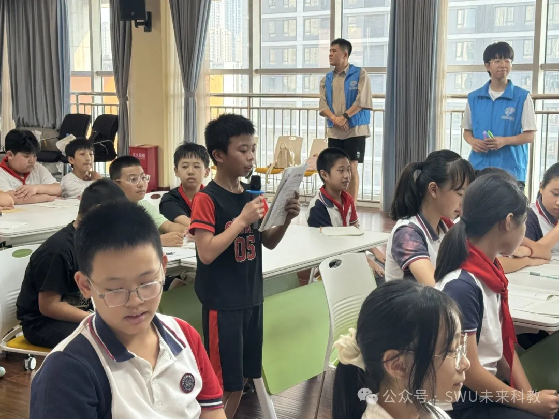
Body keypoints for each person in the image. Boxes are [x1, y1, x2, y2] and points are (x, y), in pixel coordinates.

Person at [30, 201, 226, 419]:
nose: (135, 301)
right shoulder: (68, 371)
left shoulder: (183, 335)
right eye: (115, 289)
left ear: (163, 269)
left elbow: (212, 411)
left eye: (147, 283)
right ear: (85, 285)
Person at [190, 114, 301, 419]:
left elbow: (268, 242)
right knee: (221, 386)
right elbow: (206, 253)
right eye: (242, 150)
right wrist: (241, 220)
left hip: (252, 299)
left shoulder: (251, 196)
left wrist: (286, 219)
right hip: (223, 306)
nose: (251, 156)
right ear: (219, 155)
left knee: (240, 381)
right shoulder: (207, 199)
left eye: (253, 148)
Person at [435, 172, 559, 419]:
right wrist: (528, 402)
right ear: (508, 222)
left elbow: (503, 347)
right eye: (524, 223)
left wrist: (531, 397)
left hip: (485, 391)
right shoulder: (462, 286)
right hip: (463, 401)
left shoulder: (490, 271)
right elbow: (470, 374)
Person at [332, 281, 470, 419]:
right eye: (451, 350)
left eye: (460, 347)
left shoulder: (431, 412)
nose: (465, 364)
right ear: (398, 365)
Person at [16, 180, 126, 349]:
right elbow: (49, 306)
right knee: (106, 339)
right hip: (42, 323)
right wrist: (96, 319)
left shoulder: (95, 243)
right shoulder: (58, 250)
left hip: (81, 312)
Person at [385, 150, 475, 286]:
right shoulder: (407, 233)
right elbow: (436, 288)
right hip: (413, 301)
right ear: (433, 189)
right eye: (460, 194)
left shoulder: (444, 227)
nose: (463, 202)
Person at [462, 42, 537, 190]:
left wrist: (504, 141)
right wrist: (473, 142)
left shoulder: (522, 97)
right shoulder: (474, 97)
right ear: (487, 65)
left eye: (507, 60)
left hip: (510, 169)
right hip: (479, 167)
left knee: (510, 205)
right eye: (497, 61)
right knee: (476, 204)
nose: (503, 65)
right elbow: (467, 131)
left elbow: (530, 135)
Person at [306, 147, 385, 278]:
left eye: (348, 170)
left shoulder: (347, 198)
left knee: (386, 265)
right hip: (330, 266)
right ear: (324, 175)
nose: (347, 175)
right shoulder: (318, 207)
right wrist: (365, 260)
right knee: (377, 275)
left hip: (348, 254)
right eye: (341, 171)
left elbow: (355, 231)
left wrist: (374, 249)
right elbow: (331, 249)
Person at [319, 38, 373, 203]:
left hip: (354, 129)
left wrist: (344, 117)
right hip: (335, 129)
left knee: (351, 167)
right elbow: (323, 105)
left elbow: (362, 101)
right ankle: (337, 204)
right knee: (335, 167)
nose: (330, 54)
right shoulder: (326, 79)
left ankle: (352, 207)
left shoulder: (360, 74)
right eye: (329, 51)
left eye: (334, 51)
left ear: (345, 54)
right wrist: (335, 119)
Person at [472, 168, 551, 274]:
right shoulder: (480, 232)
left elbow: (546, 252)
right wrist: (526, 261)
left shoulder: (508, 228)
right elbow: (491, 266)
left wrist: (526, 251)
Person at [110, 156, 186, 248]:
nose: (141, 184)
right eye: (133, 179)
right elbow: (118, 243)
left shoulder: (143, 205)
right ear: (116, 184)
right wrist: (158, 240)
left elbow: (168, 225)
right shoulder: (109, 210)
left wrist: (186, 230)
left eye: (143, 177)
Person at [0, 129, 61, 204]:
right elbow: (10, 198)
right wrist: (46, 197)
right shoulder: (1, 173)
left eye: (34, 155)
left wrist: (37, 188)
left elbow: (59, 188)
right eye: (26, 156)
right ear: (10, 155)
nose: (32, 161)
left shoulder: (36, 167)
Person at [160, 143, 211, 229]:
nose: (190, 171)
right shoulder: (169, 199)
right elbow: (189, 224)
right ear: (176, 171)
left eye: (196, 166)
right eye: (185, 167)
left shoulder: (213, 197)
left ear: (206, 172)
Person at [526, 162, 559, 255]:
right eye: (555, 194)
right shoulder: (527, 218)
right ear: (541, 187)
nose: (558, 202)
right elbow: (523, 255)